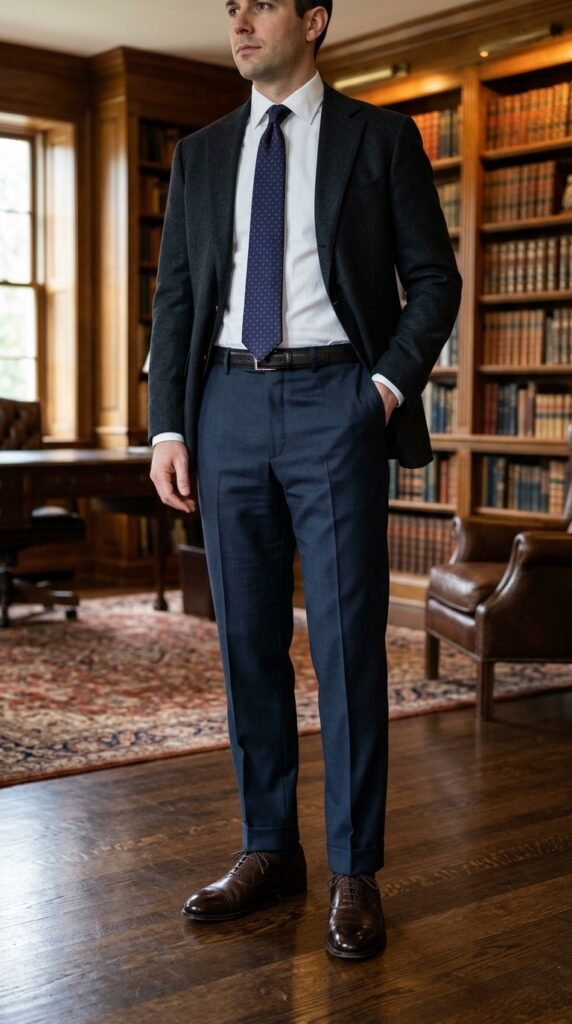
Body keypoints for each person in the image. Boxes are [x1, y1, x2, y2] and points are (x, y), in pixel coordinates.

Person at [148, 0, 461, 960]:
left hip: (337, 400)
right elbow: (176, 298)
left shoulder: (381, 137)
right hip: (226, 408)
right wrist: (168, 424)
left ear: (316, 20)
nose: (240, 22)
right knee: (246, 641)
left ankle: (356, 870)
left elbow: (434, 280)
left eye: (263, 5)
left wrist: (379, 389)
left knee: (344, 644)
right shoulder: (201, 154)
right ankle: (269, 850)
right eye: (231, 8)